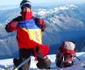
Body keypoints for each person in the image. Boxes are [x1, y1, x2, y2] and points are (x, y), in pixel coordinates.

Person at [5, 0, 51, 70]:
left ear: (30, 8)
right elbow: (8, 29)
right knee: (23, 68)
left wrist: (42, 23)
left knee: (45, 63)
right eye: (24, 7)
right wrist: (11, 25)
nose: (26, 9)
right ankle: (17, 62)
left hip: (35, 45)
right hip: (24, 47)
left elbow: (43, 27)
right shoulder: (18, 20)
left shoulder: (35, 20)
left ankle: (45, 66)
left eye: (28, 7)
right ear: (22, 9)